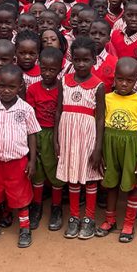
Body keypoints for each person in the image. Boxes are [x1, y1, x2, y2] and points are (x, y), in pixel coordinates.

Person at [0, 65, 40, 248]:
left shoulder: (26, 109)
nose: (6, 90)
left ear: (20, 87)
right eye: (2, 86)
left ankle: (25, 228)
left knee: (21, 196)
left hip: (18, 162)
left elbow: (32, 134)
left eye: (11, 87)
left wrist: (32, 160)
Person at [55, 37, 106, 240]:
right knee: (72, 177)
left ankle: (89, 218)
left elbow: (100, 118)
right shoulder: (64, 81)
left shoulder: (98, 85)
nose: (81, 64)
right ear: (72, 60)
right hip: (67, 135)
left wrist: (98, 147)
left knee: (89, 178)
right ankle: (74, 216)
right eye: (77, 60)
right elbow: (58, 111)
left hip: (87, 136)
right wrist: (56, 139)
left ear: (94, 60)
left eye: (86, 60)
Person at [98, 58, 137, 242]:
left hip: (131, 147)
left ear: (136, 80)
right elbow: (100, 125)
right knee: (111, 184)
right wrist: (100, 151)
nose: (124, 84)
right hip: (109, 145)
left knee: (132, 185)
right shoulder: (107, 98)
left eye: (129, 80)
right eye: (120, 79)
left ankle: (128, 223)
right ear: (114, 78)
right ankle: (110, 220)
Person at [26, 47, 65, 231]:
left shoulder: (62, 89)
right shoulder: (33, 89)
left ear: (60, 69)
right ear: (39, 65)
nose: (48, 73)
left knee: (55, 170)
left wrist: (57, 139)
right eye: (44, 69)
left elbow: (61, 114)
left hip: (54, 133)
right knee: (38, 170)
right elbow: (30, 116)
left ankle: (56, 207)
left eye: (52, 69)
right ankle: (37, 205)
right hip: (37, 133)